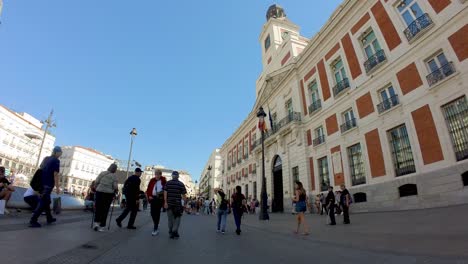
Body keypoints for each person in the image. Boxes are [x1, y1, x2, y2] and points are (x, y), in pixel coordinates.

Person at [29, 146, 62, 228]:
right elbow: (55, 175)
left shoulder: (46, 158)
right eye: (60, 153)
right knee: (43, 202)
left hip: (41, 183)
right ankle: (33, 220)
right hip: (48, 184)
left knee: (46, 201)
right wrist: (57, 187)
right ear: (56, 152)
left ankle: (49, 218)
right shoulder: (56, 161)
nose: (60, 154)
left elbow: (41, 169)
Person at [93, 164, 118, 232]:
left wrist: (96, 187)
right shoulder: (114, 176)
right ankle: (102, 225)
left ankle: (96, 223)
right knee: (105, 209)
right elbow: (115, 186)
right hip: (108, 194)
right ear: (115, 169)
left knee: (98, 208)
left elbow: (96, 181)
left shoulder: (102, 173)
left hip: (99, 192)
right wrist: (116, 190)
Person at [164, 171, 187, 239]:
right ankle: (174, 230)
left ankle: (171, 231)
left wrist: (165, 202)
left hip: (169, 204)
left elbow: (165, 193)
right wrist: (185, 203)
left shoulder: (168, 183)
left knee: (170, 219)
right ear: (178, 176)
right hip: (177, 204)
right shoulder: (181, 184)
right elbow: (183, 195)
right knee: (177, 218)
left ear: (172, 176)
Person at [146, 169, 167, 236]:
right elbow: (149, 189)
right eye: (156, 174)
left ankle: (155, 228)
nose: (156, 176)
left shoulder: (163, 181)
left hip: (159, 199)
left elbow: (165, 190)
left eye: (158, 174)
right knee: (152, 213)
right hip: (153, 198)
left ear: (160, 175)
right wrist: (149, 195)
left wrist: (161, 193)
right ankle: (156, 223)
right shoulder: (152, 180)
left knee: (157, 213)